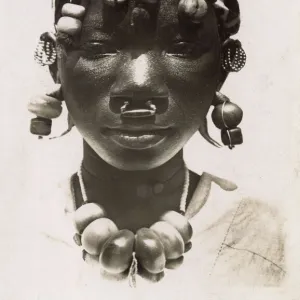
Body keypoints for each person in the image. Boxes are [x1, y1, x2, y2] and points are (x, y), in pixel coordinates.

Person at [26, 0, 285, 297]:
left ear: (222, 66)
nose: (140, 83)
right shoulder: (16, 228)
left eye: (183, 49)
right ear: (54, 63)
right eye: (98, 49)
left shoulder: (264, 233)